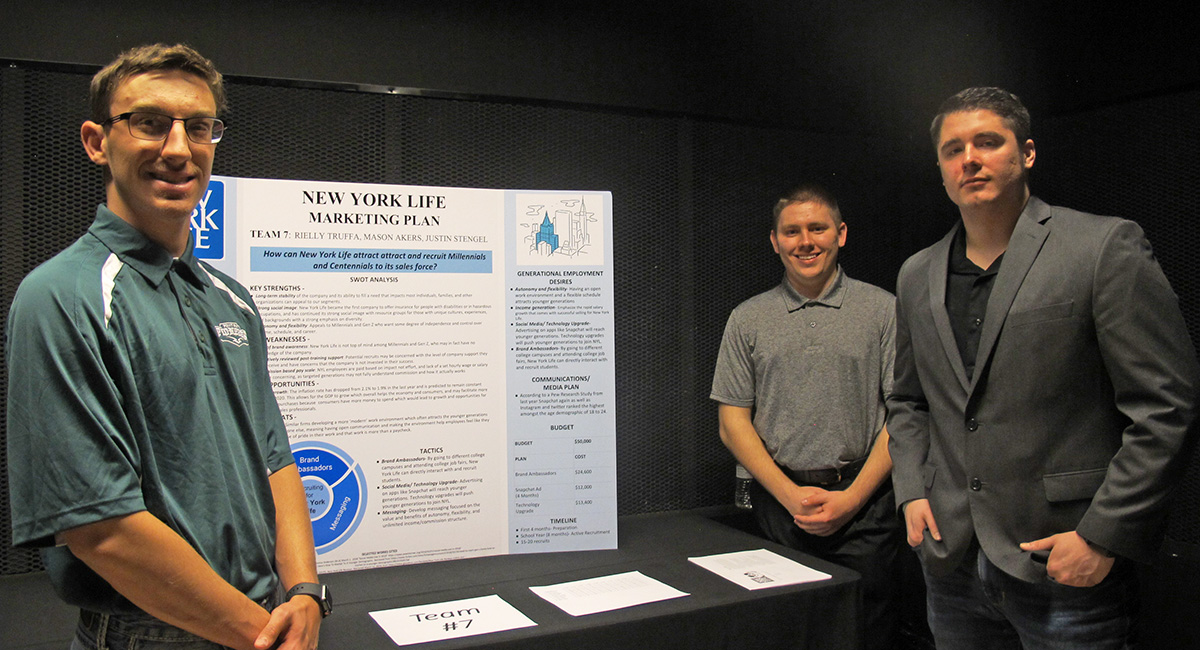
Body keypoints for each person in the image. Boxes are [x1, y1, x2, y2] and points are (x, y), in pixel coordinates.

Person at [6, 44, 330, 650]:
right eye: (150, 123)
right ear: (97, 141)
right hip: (157, 636)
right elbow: (99, 527)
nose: (178, 149)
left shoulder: (231, 298)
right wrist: (261, 634)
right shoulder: (60, 297)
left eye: (198, 127)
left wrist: (307, 593)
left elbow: (276, 459)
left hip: (269, 621)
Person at [888, 86, 1198, 649]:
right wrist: (910, 488)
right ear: (939, 168)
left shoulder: (1103, 247)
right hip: (951, 564)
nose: (970, 159)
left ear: (1026, 153)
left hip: (1064, 564)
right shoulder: (916, 273)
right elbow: (908, 401)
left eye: (987, 142)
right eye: (953, 149)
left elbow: (1166, 407)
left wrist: (1105, 537)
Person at [711, 184, 900, 650]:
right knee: (787, 633)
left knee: (867, 635)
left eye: (817, 228)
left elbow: (907, 416)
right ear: (775, 241)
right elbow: (731, 422)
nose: (805, 241)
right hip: (780, 508)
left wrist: (852, 500)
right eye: (791, 231)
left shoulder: (884, 310)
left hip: (866, 508)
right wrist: (791, 496)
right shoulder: (747, 319)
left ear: (841, 234)